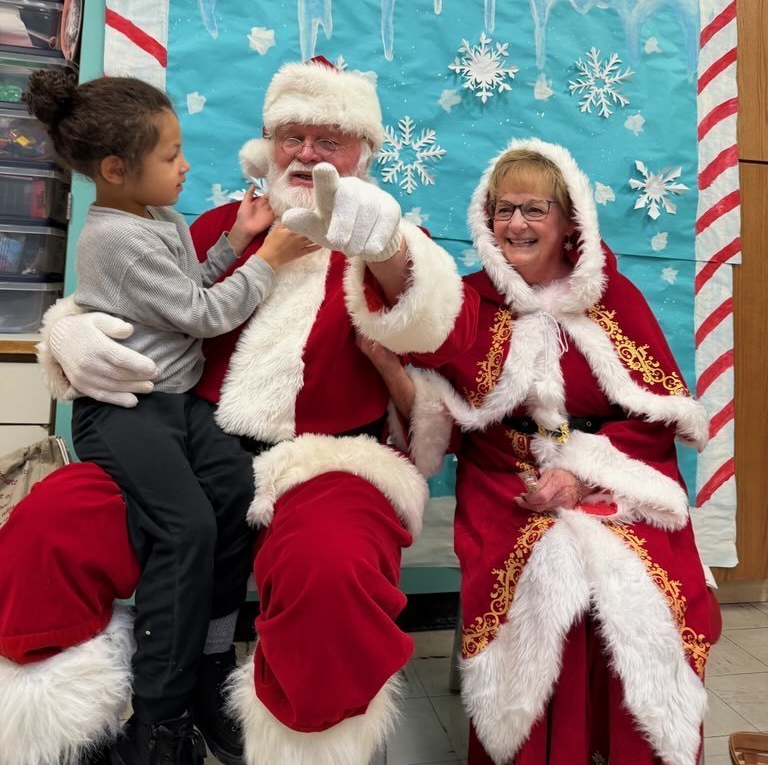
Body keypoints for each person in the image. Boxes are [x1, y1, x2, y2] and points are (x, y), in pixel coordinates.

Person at [0, 56, 464, 765]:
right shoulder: (224, 223)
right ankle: (64, 734)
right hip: (185, 438)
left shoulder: (392, 246)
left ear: (364, 152)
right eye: (291, 136)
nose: (306, 154)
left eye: (329, 139)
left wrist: (392, 254)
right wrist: (65, 333)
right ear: (268, 144)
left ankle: (295, 734)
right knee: (49, 522)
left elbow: (437, 338)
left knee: (331, 567)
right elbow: (143, 297)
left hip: (325, 460)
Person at [361, 139, 720, 765]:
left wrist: (582, 477)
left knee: (636, 592)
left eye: (534, 209)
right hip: (505, 476)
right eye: (503, 209)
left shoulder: (614, 299)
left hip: (616, 473)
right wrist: (392, 368)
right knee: (549, 583)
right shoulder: (469, 300)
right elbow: (438, 410)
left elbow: (655, 417)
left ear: (568, 221)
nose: (516, 224)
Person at [21, 69, 318, 765]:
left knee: (235, 493)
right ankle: (159, 718)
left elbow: (184, 289)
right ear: (116, 170)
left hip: (178, 404)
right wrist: (269, 259)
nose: (186, 166)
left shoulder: (161, 219)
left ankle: (211, 656)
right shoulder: (112, 239)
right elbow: (203, 314)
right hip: (124, 412)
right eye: (171, 155)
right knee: (185, 530)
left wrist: (234, 242)